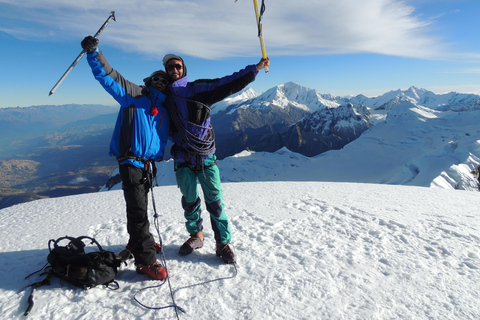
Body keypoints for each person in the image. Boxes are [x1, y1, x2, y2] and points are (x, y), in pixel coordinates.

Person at [162, 53, 270, 264]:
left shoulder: (197, 89)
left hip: (204, 158)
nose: (174, 70)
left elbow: (227, 83)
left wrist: (254, 69)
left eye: (178, 66)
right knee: (189, 201)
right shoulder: (164, 98)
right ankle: (196, 237)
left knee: (215, 202)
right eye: (170, 67)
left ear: (184, 69)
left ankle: (223, 243)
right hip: (184, 158)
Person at [81, 36, 170, 280]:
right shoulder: (135, 95)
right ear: (149, 82)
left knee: (138, 208)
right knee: (139, 211)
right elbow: (110, 77)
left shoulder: (165, 109)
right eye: (156, 79)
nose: (160, 82)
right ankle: (145, 261)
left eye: (164, 80)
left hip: (147, 165)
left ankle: (137, 244)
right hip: (130, 162)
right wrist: (94, 53)